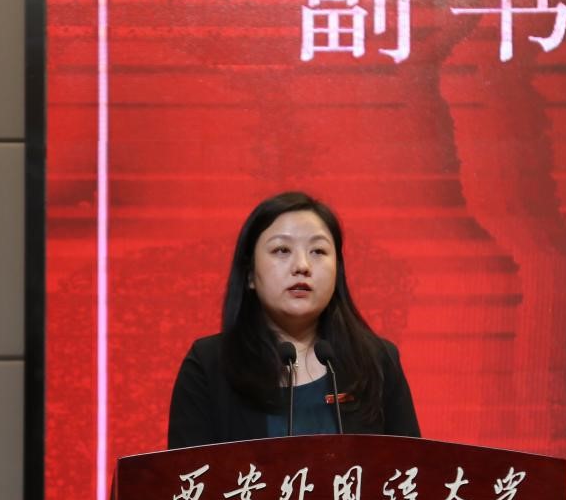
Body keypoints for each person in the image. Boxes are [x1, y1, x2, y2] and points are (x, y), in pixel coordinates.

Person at [167, 191, 421, 449]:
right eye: (282, 250)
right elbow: (187, 472)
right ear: (250, 274)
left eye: (318, 251)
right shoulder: (209, 366)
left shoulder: (378, 362)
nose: (302, 265)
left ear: (337, 271)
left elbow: (412, 468)